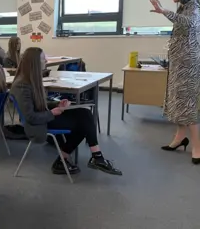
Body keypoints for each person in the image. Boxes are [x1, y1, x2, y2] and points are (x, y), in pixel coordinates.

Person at [10, 47, 122, 176]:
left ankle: (92, 158)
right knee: (83, 122)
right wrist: (52, 113)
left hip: (44, 116)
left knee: (84, 114)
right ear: (34, 63)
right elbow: (30, 117)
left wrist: (56, 104)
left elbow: (39, 104)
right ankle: (93, 158)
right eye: (43, 59)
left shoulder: (31, 80)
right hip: (39, 123)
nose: (46, 61)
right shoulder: (22, 86)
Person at [150, 0, 200, 163]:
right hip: (179, 65)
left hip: (189, 67)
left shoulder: (194, 8)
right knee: (178, 103)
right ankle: (179, 139)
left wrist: (163, 11)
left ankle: (197, 147)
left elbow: (189, 23)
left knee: (187, 105)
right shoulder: (183, 8)